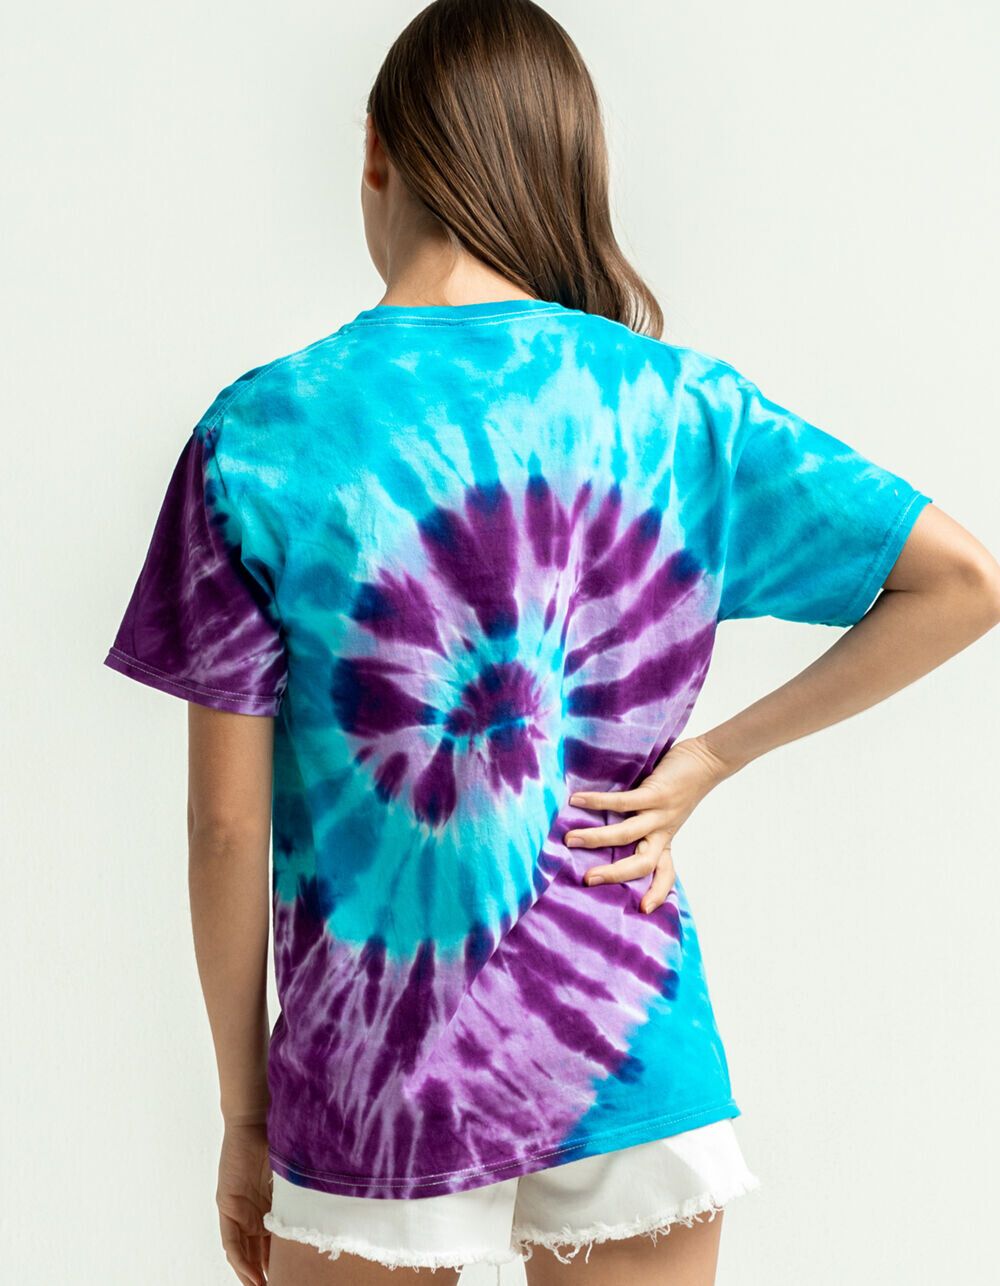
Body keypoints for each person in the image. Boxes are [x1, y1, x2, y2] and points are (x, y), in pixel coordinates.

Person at [102, 2, 1000, 1284]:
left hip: (370, 1072)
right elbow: (962, 580)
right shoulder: (676, 405)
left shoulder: (262, 432)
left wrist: (246, 1117)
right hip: (623, 1031)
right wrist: (711, 760)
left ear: (376, 151)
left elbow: (225, 828)